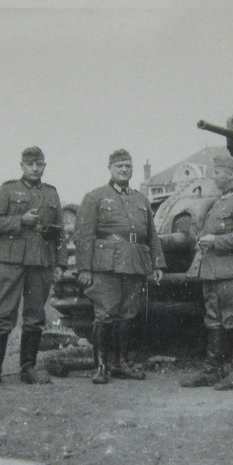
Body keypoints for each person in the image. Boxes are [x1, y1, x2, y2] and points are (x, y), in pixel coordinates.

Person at [0, 146, 66, 390]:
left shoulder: (51, 193)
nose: (35, 168)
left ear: (44, 166)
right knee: (3, 314)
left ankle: (28, 368)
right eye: (30, 164)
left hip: (41, 262)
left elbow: (60, 233)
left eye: (39, 164)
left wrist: (60, 263)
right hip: (11, 262)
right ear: (22, 166)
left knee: (35, 316)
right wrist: (20, 220)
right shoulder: (8, 190)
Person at [73, 149, 164, 384]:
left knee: (127, 314)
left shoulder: (141, 200)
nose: (124, 170)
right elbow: (83, 235)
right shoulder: (95, 197)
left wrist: (157, 264)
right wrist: (84, 268)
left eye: (128, 166)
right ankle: (101, 366)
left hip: (134, 262)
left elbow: (152, 235)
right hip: (106, 265)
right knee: (105, 313)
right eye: (119, 166)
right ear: (110, 169)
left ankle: (120, 363)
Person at [180, 154, 233, 391]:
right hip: (212, 272)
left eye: (217, 173)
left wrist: (215, 240)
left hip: (232, 272)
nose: (214, 177)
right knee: (213, 320)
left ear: (231, 175)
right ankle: (212, 370)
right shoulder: (220, 202)